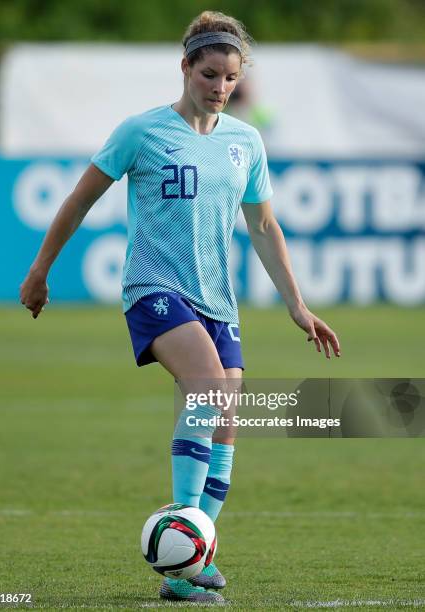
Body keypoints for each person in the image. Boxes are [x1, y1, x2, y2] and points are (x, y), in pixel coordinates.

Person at [20, 10, 340, 605]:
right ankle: (183, 548)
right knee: (208, 388)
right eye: (210, 74)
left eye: (230, 80)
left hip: (219, 302)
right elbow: (79, 199)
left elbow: (265, 225)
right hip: (154, 288)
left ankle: (186, 563)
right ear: (186, 68)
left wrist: (298, 306)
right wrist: (40, 271)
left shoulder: (246, 141)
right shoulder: (141, 133)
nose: (220, 88)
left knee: (226, 425)